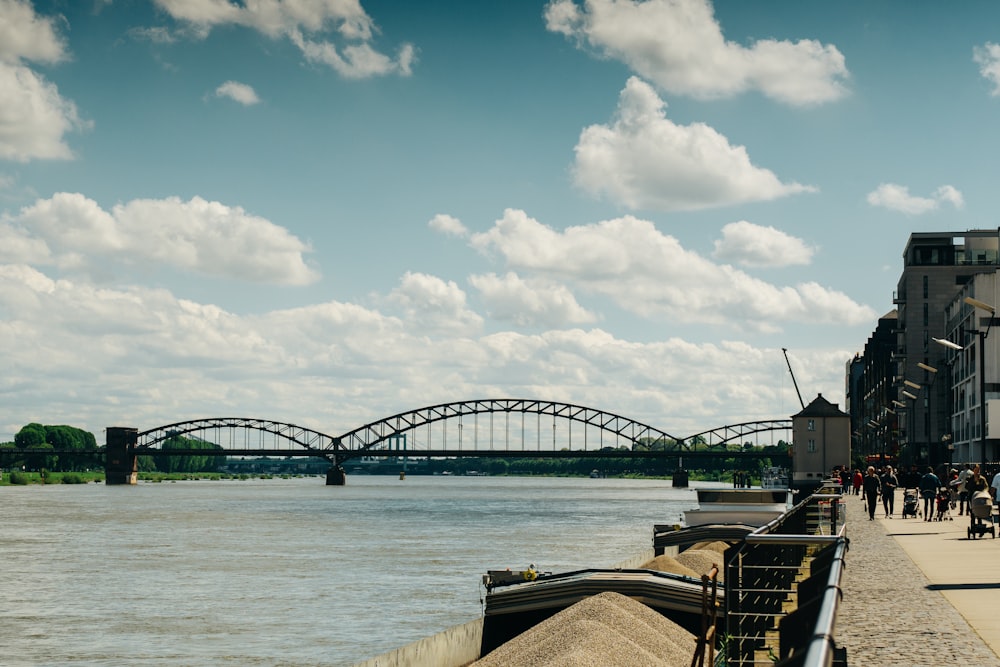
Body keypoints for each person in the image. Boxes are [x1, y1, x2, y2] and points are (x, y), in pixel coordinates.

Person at [965, 464, 990, 532]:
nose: (977, 472)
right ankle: (973, 526)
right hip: (972, 497)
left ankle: (980, 526)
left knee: (980, 511)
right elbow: (967, 487)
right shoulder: (970, 478)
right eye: (976, 470)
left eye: (978, 470)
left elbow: (986, 486)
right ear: (973, 471)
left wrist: (985, 491)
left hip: (980, 496)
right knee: (973, 513)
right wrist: (973, 482)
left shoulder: (982, 478)